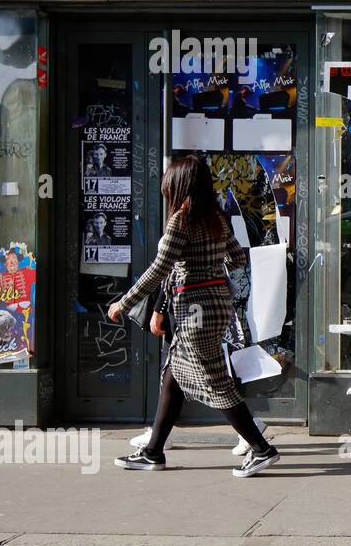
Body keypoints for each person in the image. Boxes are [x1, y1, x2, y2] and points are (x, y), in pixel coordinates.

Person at [108, 155, 278, 477]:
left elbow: (159, 269)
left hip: (194, 310)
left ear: (180, 183)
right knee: (173, 377)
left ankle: (261, 449)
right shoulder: (216, 217)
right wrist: (213, 270)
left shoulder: (181, 221)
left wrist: (124, 302)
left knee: (215, 381)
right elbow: (237, 257)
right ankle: (154, 451)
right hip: (215, 306)